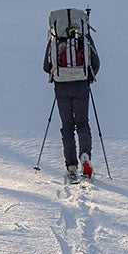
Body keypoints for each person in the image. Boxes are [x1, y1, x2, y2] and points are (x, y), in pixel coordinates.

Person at [43, 23, 100, 180]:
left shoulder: (55, 40)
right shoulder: (84, 38)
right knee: (82, 123)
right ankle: (85, 156)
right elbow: (95, 64)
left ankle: (71, 166)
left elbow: (46, 67)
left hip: (61, 87)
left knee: (67, 126)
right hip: (81, 85)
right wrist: (87, 77)